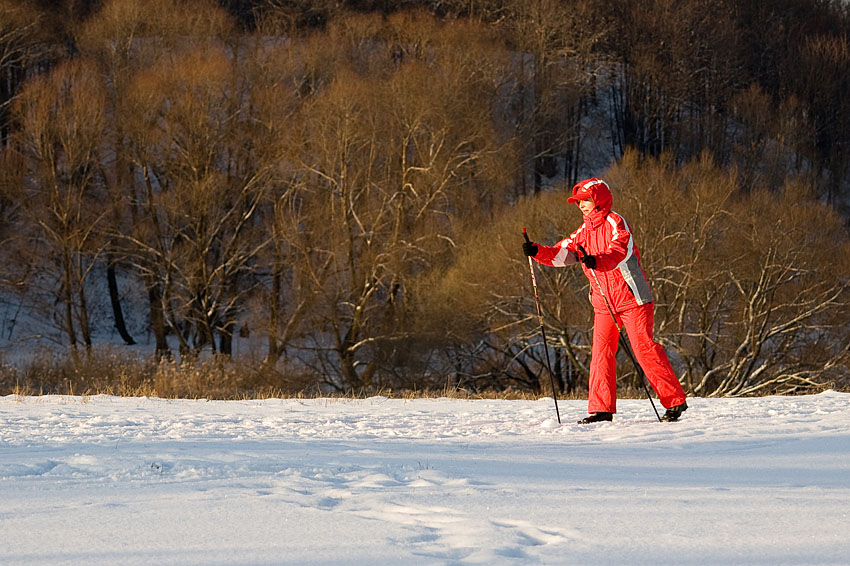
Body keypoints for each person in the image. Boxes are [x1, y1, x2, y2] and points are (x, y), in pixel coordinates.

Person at [522, 178, 688, 423]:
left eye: (586, 201)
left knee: (644, 349)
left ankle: (675, 402)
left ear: (598, 200)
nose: (581, 206)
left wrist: (597, 261)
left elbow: (619, 250)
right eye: (578, 202)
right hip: (603, 303)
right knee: (601, 354)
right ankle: (601, 410)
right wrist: (537, 251)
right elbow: (562, 254)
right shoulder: (582, 232)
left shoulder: (616, 222)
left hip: (632, 298)